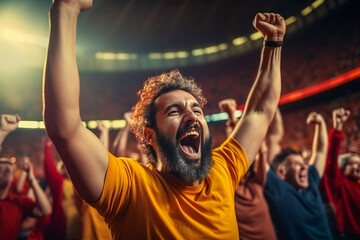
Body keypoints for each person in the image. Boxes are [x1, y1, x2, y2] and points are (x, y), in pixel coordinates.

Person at [43, 0, 285, 238]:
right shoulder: (130, 188)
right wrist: (66, 8)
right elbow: (66, 129)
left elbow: (259, 112)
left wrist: (273, 44)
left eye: (197, 110)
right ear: (150, 135)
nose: (191, 116)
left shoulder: (222, 170)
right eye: (175, 111)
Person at [264, 111, 333, 240]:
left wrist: (320, 124)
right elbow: (274, 139)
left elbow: (320, 151)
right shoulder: (279, 190)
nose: (304, 167)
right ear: (281, 173)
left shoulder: (311, 181)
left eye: (304, 163)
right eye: (296, 164)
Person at [219, 98, 277, 240]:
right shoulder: (228, 192)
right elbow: (235, 149)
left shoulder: (256, 184)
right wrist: (232, 117)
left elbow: (260, 150)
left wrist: (233, 118)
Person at [0, 114, 52, 240]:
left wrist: (32, 180)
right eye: (1, 168)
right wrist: (2, 131)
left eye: (9, 169)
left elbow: (45, 210)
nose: (6, 169)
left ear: (13, 178)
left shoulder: (18, 202)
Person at [320, 108, 360, 240]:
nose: (358, 165)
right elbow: (331, 160)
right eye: (353, 162)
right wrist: (337, 129)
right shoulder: (340, 185)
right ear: (342, 168)